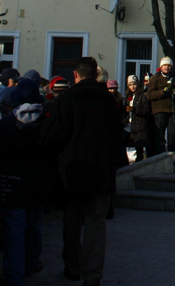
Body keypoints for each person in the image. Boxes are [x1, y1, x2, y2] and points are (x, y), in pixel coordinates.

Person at [40, 57, 124, 285]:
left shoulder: (67, 98)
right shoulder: (108, 100)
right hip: (100, 171)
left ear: (75, 75)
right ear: (96, 75)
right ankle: (93, 275)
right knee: (96, 222)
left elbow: (54, 136)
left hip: (72, 171)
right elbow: (117, 135)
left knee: (72, 220)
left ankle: (73, 266)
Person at [0, 78, 48, 286]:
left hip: (11, 182)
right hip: (38, 181)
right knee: (34, 226)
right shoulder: (46, 123)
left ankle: (13, 276)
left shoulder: (6, 124)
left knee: (14, 231)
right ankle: (31, 263)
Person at [145, 58, 175, 154]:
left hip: (172, 111)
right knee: (159, 134)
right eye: (164, 65)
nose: (166, 67)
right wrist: (163, 92)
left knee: (173, 133)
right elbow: (149, 95)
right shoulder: (155, 79)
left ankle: (172, 153)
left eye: (169, 66)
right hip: (159, 110)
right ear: (161, 67)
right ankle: (160, 154)